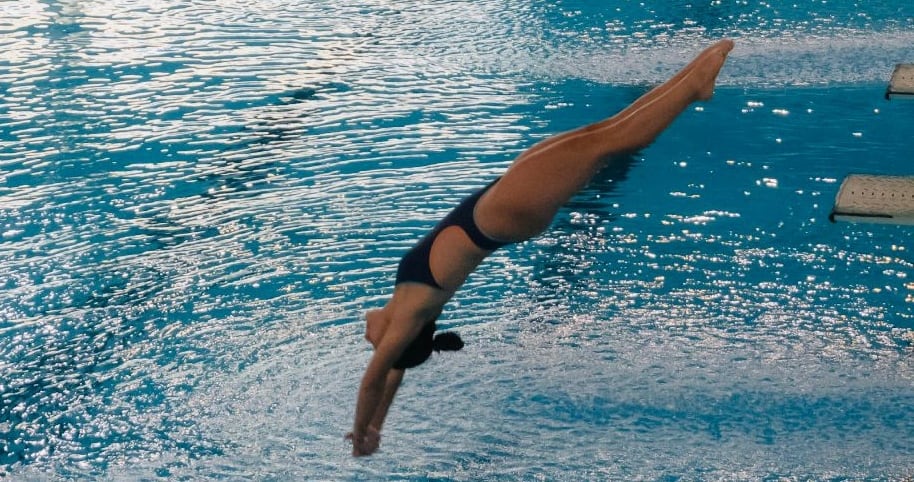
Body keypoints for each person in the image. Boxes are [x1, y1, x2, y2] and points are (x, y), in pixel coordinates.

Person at [347, 39, 735, 456]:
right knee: (608, 141)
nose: (369, 341)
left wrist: (377, 423)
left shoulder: (406, 307)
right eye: (377, 348)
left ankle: (689, 79)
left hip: (498, 204)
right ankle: (693, 87)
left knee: (598, 134)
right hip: (502, 214)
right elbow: (376, 378)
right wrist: (362, 433)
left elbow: (391, 376)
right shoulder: (410, 314)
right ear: (396, 340)